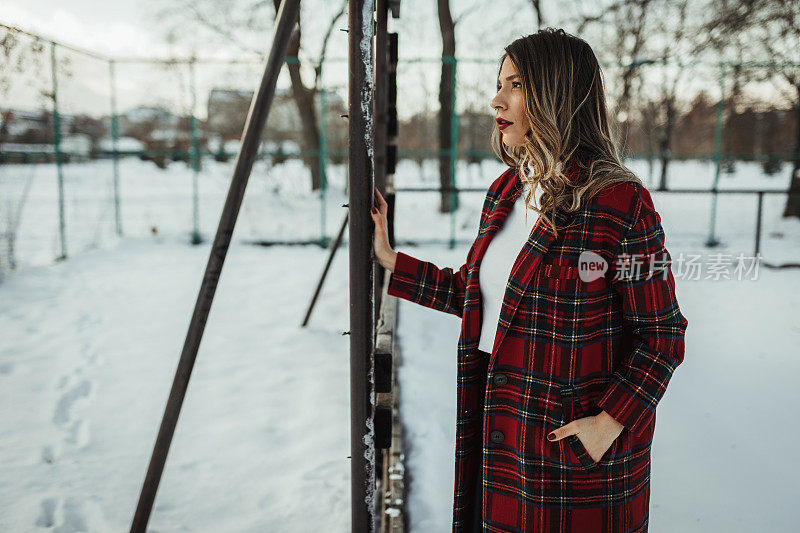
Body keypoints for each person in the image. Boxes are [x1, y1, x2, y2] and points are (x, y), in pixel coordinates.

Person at [370, 27, 688, 533]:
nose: (496, 99)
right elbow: (477, 295)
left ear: (557, 93)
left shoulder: (620, 201)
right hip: (500, 441)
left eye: (515, 85)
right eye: (500, 83)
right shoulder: (506, 191)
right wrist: (393, 262)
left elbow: (663, 335)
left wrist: (609, 423)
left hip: (573, 462)